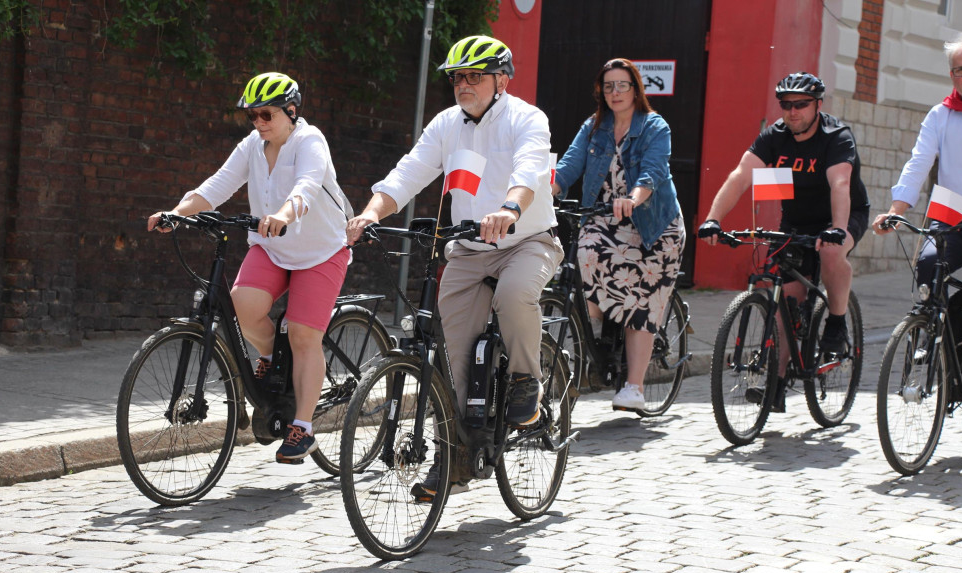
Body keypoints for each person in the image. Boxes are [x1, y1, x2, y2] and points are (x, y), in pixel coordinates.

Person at [346, 35, 562, 502]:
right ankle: (458, 454)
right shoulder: (447, 125)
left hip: (527, 239)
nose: (464, 84)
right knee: (456, 349)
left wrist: (509, 208)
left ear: (501, 80)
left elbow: (529, 172)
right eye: (458, 77)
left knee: (514, 295)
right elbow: (409, 172)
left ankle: (526, 379)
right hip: (468, 247)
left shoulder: (527, 118)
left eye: (474, 76)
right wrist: (370, 213)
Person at [147, 72, 351, 465]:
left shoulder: (310, 141)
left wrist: (283, 214)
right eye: (252, 116)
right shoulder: (253, 146)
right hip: (273, 247)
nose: (258, 123)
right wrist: (177, 212)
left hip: (321, 250)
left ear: (291, 111)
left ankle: (303, 428)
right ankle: (276, 359)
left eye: (266, 115)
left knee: (305, 334)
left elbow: (307, 187)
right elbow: (217, 185)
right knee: (241, 305)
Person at [698, 71, 870, 412]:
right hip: (795, 220)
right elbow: (741, 175)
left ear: (818, 105)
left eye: (802, 105)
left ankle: (836, 324)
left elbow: (840, 185)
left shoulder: (836, 136)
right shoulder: (775, 136)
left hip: (842, 215)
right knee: (786, 301)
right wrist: (713, 219)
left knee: (833, 253)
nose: (793, 112)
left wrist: (836, 228)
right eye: (786, 105)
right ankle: (774, 385)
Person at [552, 58, 685, 412]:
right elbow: (567, 167)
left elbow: (652, 174)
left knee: (641, 293)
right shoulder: (594, 127)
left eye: (622, 85)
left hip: (653, 225)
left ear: (635, 89)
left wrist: (632, 200)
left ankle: (635, 387)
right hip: (605, 219)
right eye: (608, 86)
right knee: (585, 252)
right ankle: (594, 338)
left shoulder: (654, 126)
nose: (615, 92)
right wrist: (539, 192)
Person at [872, 31, 962, 429]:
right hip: (950, 218)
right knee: (929, 265)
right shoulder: (940, 114)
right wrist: (895, 209)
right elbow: (919, 162)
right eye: (959, 70)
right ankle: (931, 340)